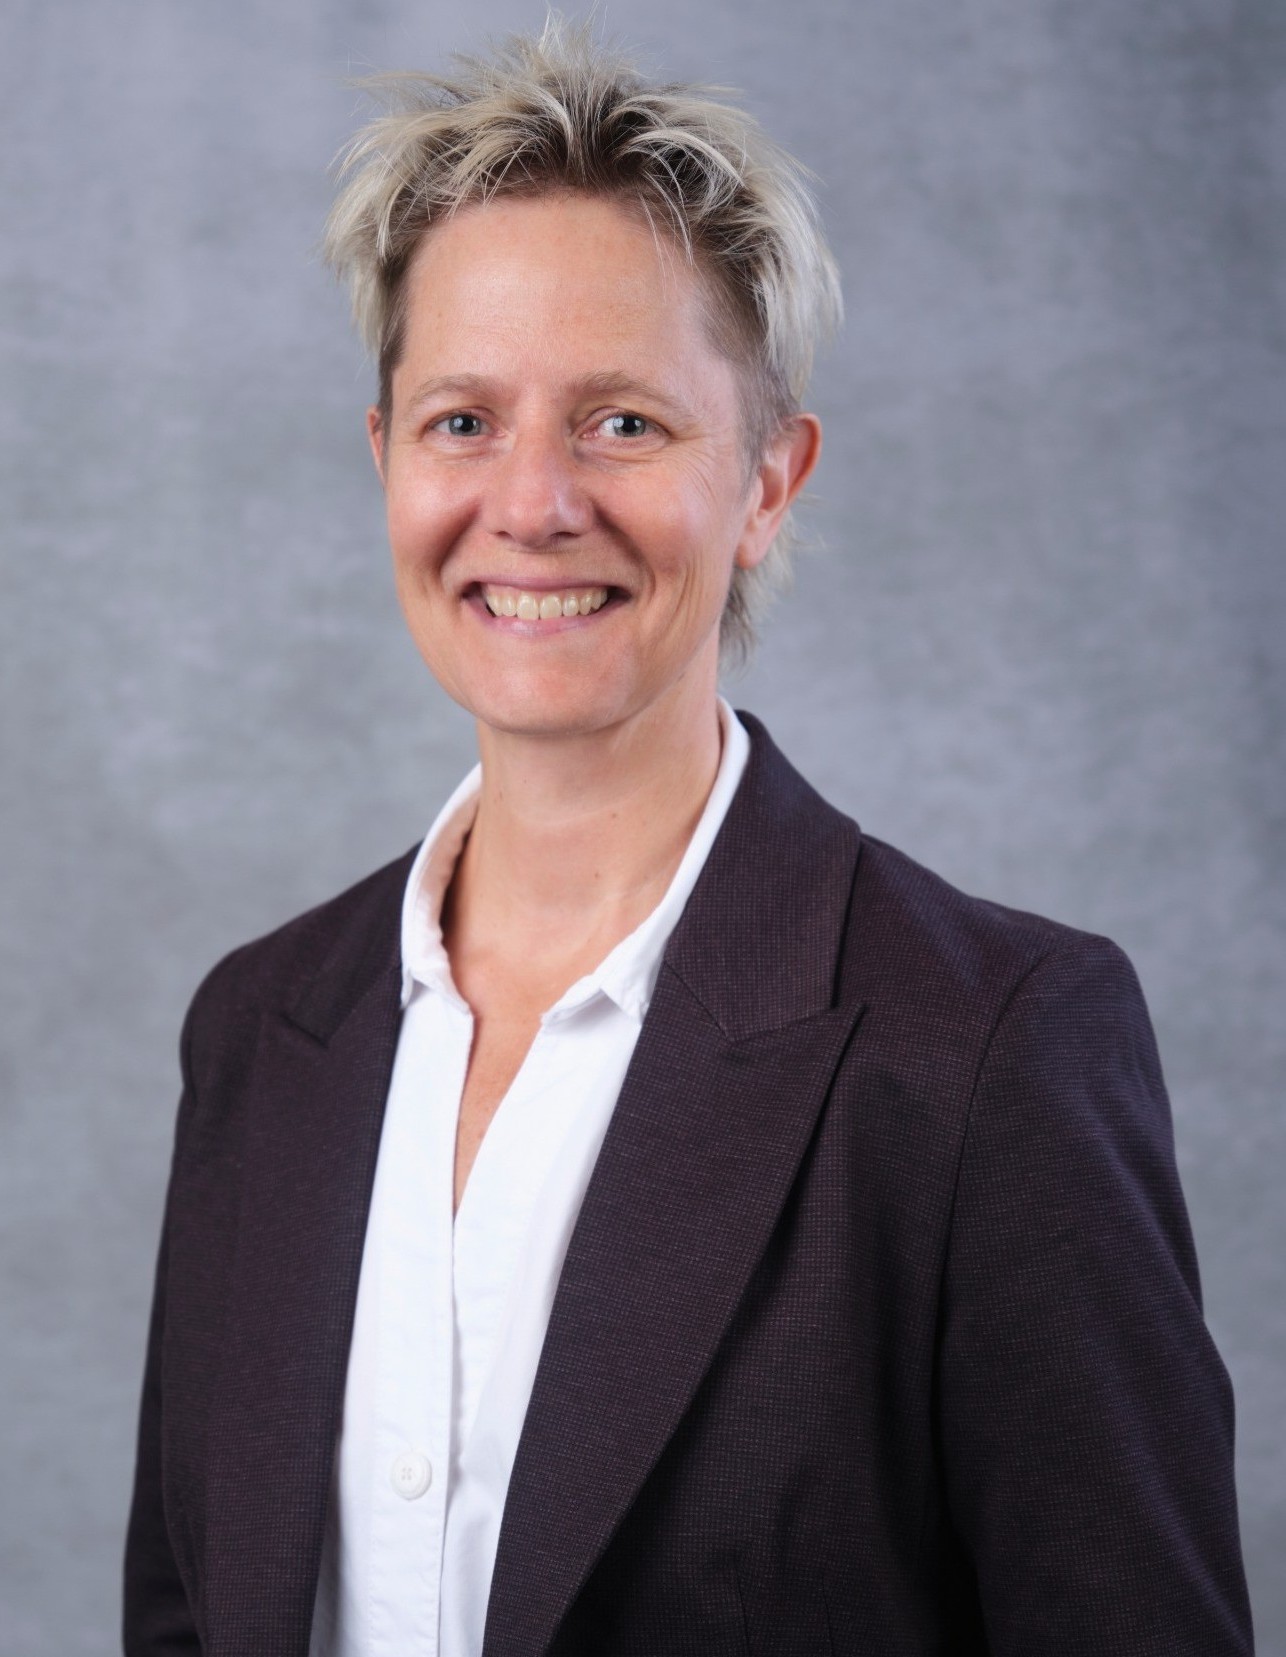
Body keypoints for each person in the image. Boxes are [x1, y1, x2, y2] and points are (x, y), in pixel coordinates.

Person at [122, 20, 1254, 1657]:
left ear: (768, 482)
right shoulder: (258, 1032)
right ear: (383, 464)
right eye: (460, 421)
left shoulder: (987, 1051)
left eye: (623, 423)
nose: (530, 502)